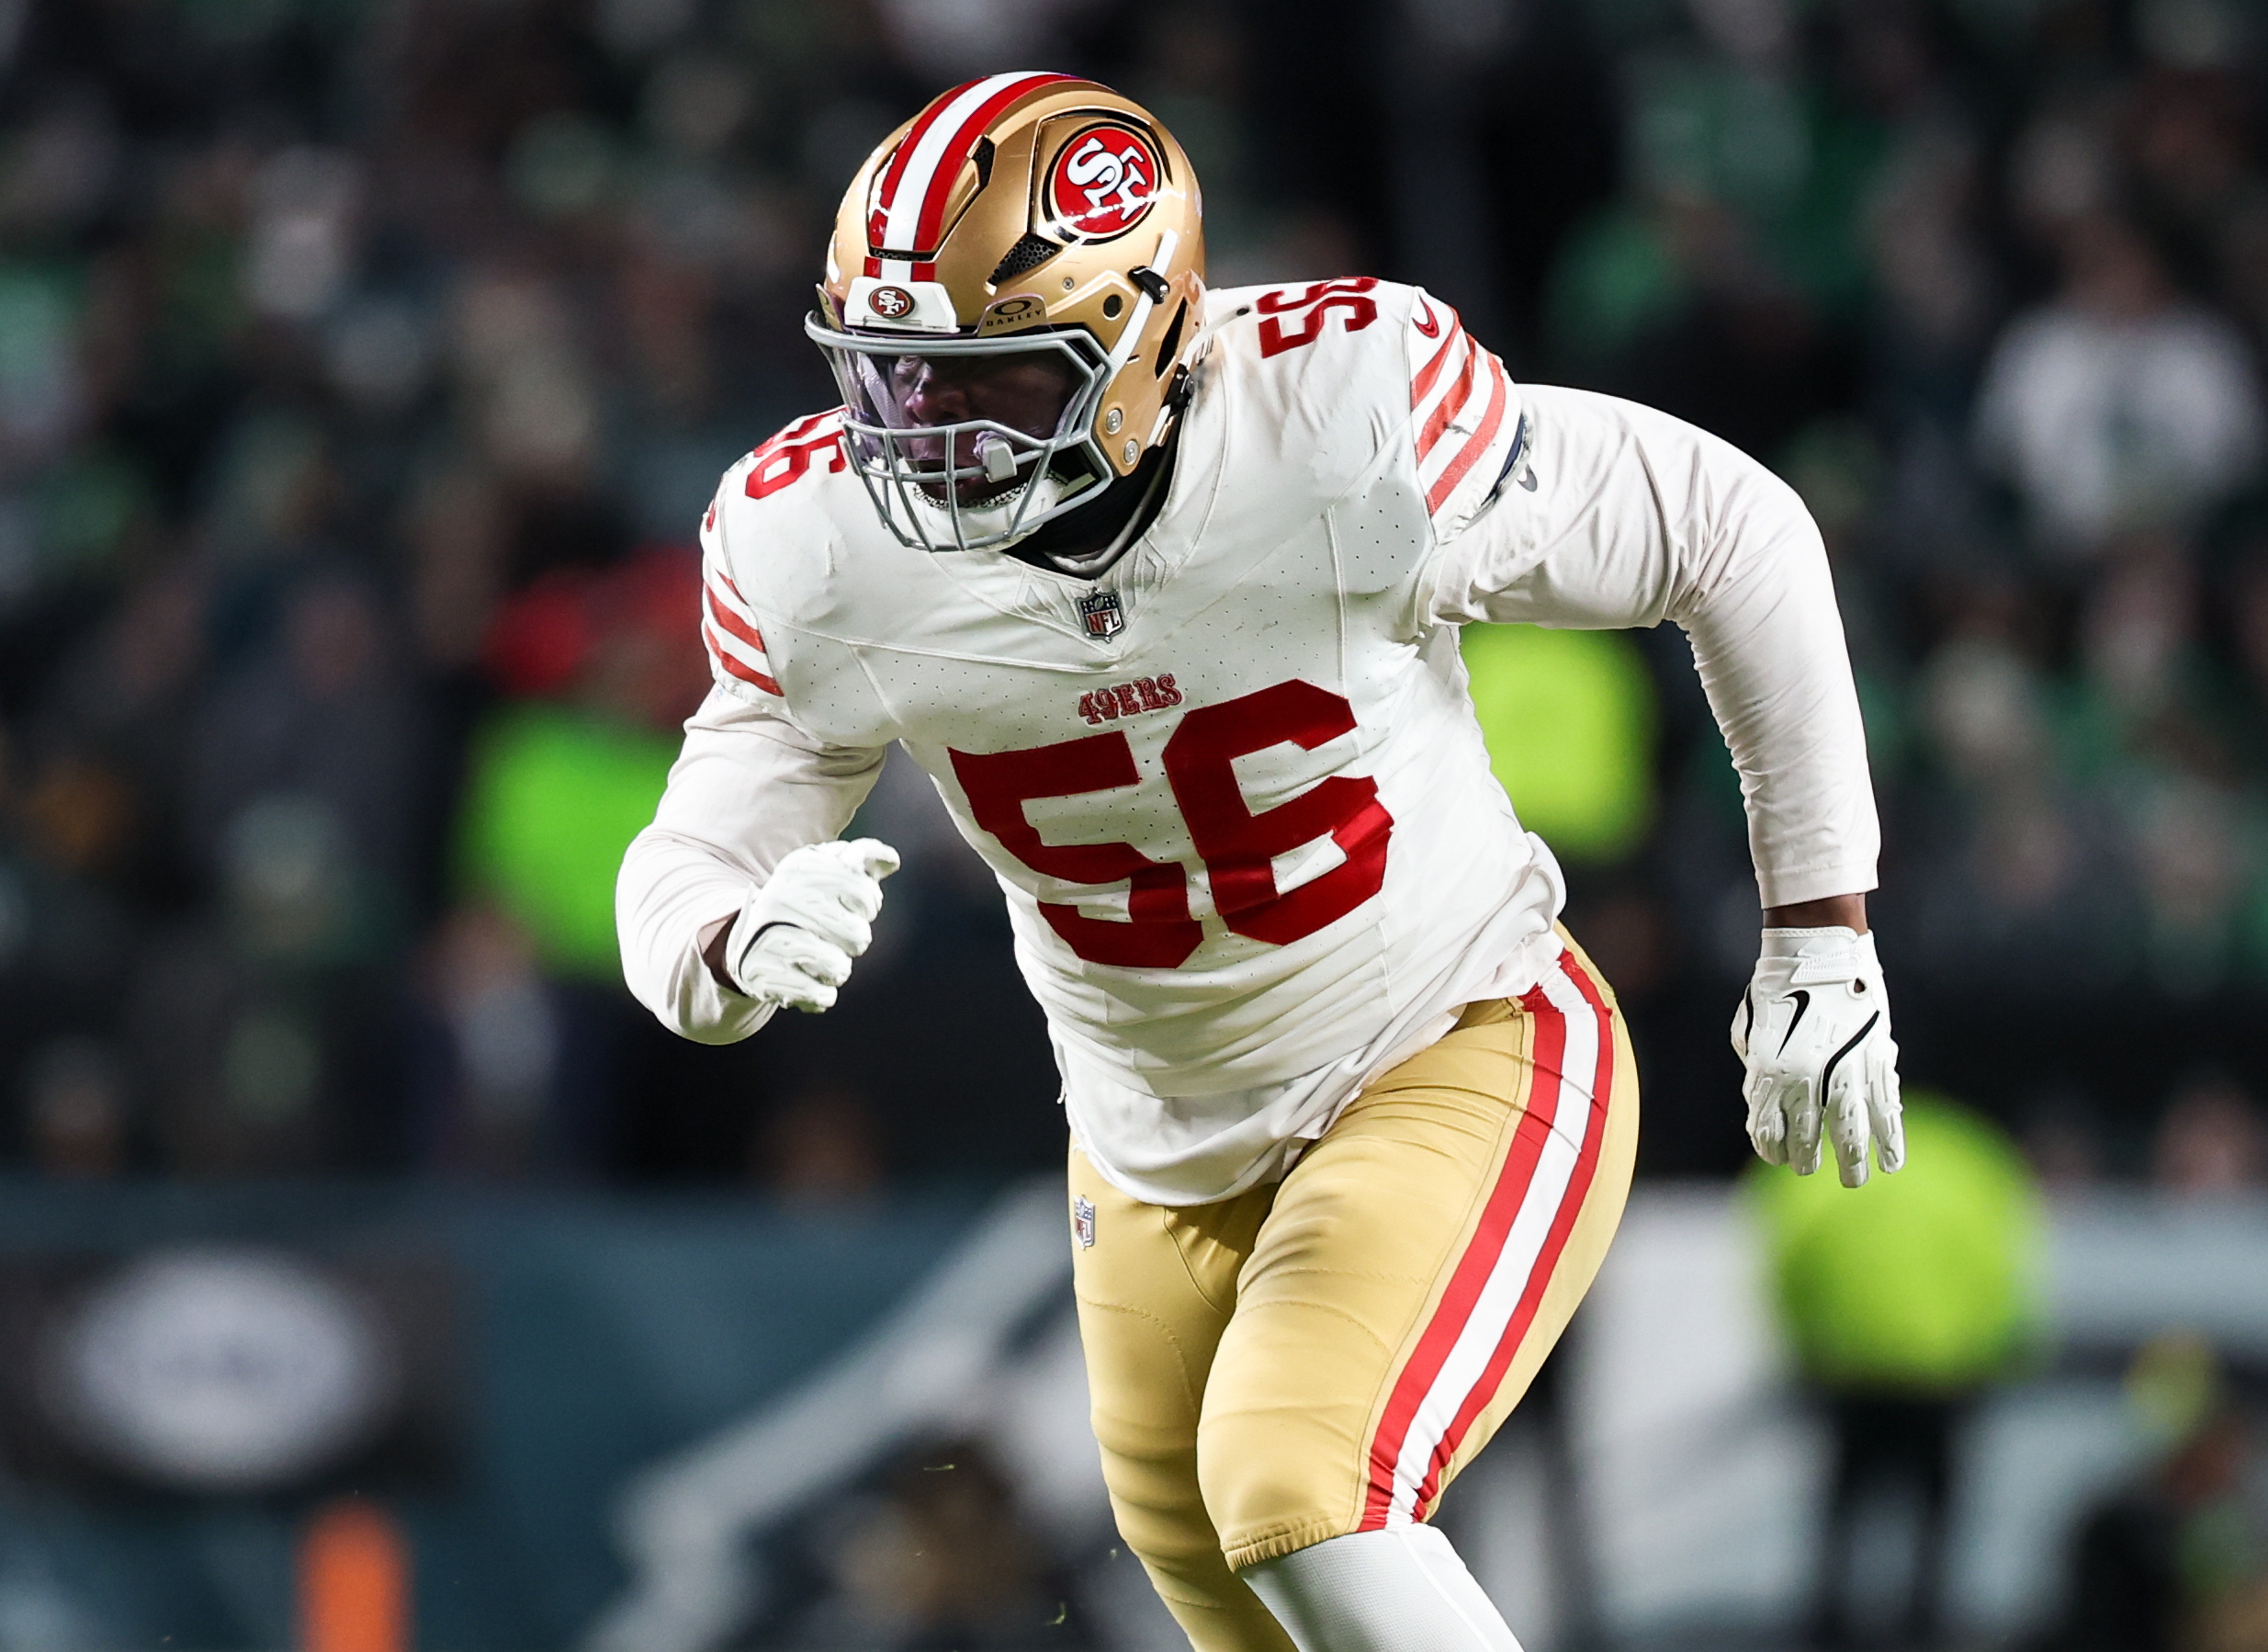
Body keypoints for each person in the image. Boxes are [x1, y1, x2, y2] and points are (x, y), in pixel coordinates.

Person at [616, 74, 1902, 1652]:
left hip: (1449, 1039)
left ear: (1144, 344)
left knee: (1300, 1485)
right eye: (889, 382)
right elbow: (686, 860)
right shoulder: (809, 541)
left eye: (995, 384)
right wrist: (727, 944)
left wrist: (1819, 927)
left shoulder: (1342, 423)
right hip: (1147, 1152)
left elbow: (1732, 528)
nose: (926, 445)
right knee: (1246, 1598)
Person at [1751, 1092, 2043, 1648]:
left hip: (1852, 1365)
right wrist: (2003, 1346)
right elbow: (2003, 1261)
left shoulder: (1825, 1146)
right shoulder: (1974, 1154)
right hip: (1944, 1370)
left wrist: (1803, 1341)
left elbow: (1790, 1250)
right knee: (1935, 1511)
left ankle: (1829, 1624)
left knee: (1846, 1503)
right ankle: (1924, 1624)